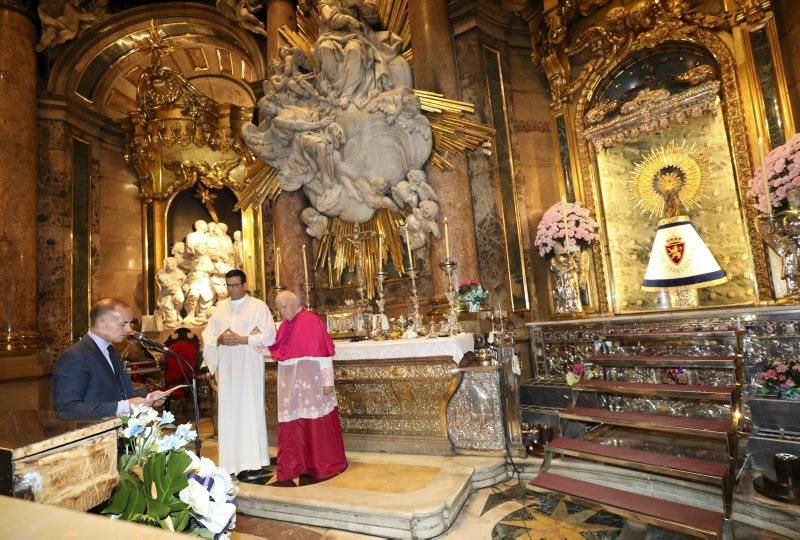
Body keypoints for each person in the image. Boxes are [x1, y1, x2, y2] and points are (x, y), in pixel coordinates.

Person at [202, 269, 276, 481]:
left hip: (249, 366)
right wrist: (219, 340)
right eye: (229, 286)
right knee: (230, 411)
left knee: (249, 409)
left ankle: (253, 463)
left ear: (244, 285)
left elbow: (270, 336)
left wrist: (244, 339)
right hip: (227, 368)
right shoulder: (220, 309)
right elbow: (207, 335)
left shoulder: (258, 306)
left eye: (235, 285)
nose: (232, 289)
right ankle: (231, 463)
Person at [269, 291, 347, 485]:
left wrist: (328, 381)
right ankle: (296, 464)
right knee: (294, 424)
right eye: (278, 308)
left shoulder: (311, 321)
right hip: (292, 387)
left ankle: (321, 464)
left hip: (312, 383)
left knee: (315, 423)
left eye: (284, 307)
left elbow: (323, 353)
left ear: (295, 304)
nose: (282, 312)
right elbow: (280, 352)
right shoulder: (284, 325)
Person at [52, 298, 167, 419]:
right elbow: (67, 409)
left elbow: (121, 392)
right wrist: (124, 407)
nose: (129, 330)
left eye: (130, 323)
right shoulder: (75, 356)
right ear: (101, 322)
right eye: (123, 324)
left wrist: (148, 397)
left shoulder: (109, 350)